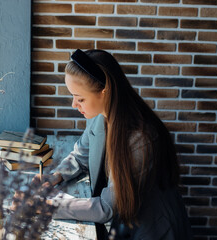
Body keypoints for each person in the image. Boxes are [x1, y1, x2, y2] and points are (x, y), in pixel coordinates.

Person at [30, 49, 193, 240]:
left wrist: (48, 206)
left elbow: (106, 207)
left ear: (104, 91)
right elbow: (80, 155)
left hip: (152, 230)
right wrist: (55, 176)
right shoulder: (99, 115)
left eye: (80, 98)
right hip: (124, 221)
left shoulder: (140, 139)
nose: (74, 104)